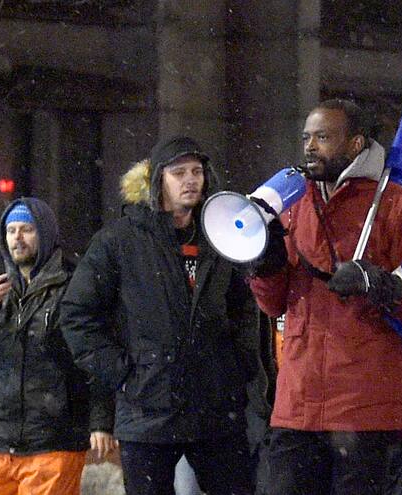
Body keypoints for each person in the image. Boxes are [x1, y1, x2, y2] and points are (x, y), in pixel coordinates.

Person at [247, 98, 402, 494]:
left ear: (356, 144)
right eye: (307, 137)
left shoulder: (398, 206)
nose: (310, 147)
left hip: (366, 409)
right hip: (300, 402)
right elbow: (273, 305)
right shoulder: (294, 202)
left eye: (323, 137)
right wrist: (265, 266)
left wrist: (382, 285)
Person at [61, 136, 264, 495]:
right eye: (179, 172)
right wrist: (123, 373)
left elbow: (246, 309)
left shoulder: (220, 235)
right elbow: (78, 314)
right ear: (157, 180)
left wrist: (236, 365)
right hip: (146, 409)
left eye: (197, 172)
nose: (191, 180)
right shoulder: (120, 240)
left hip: (215, 408)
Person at [0, 198, 115, 495]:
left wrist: (101, 420)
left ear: (46, 234)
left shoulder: (74, 284)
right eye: (11, 230)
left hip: (53, 440)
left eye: (26, 229)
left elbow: (94, 353)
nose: (17, 238)